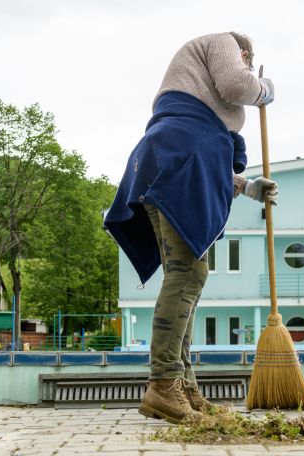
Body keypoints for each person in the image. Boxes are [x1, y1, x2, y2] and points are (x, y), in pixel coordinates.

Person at [104, 32, 278, 424]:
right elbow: (236, 85)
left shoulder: (199, 103)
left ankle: (183, 386)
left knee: (186, 273)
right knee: (188, 272)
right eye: (247, 62)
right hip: (178, 159)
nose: (245, 68)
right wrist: (264, 88)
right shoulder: (224, 42)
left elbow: (207, 154)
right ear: (245, 53)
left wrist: (247, 187)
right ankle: (164, 384)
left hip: (170, 161)